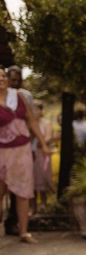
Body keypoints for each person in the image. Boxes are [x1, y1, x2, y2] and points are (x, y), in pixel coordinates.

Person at [0, 67, 50, 243]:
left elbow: (32, 120)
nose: (2, 79)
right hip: (1, 151)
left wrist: (43, 143)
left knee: (23, 190)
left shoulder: (19, 96)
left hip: (22, 149)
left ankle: (24, 232)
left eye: (3, 76)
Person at [32, 100, 54, 213]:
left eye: (37, 109)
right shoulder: (29, 123)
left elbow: (48, 137)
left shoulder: (46, 123)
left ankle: (44, 205)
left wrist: (42, 142)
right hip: (32, 155)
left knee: (43, 179)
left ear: (41, 110)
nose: (34, 111)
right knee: (33, 181)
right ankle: (33, 206)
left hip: (42, 154)